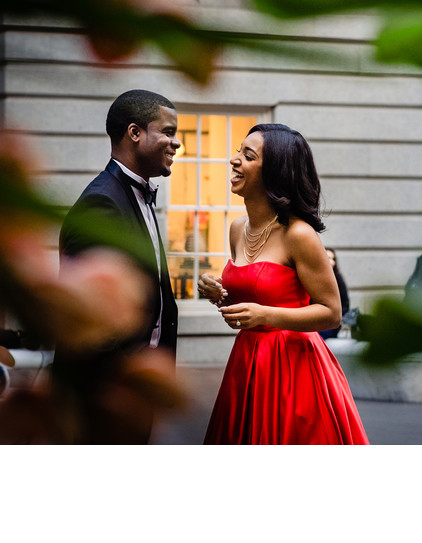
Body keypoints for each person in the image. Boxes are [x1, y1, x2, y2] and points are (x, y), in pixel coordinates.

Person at [199, 123, 369, 445]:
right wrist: (217, 291)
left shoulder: (299, 234)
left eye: (248, 156)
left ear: (274, 173)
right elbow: (250, 295)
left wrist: (267, 316)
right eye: (239, 151)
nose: (234, 160)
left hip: (293, 367)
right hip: (247, 363)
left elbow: (332, 312)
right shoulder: (238, 228)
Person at [57, 89, 181, 443]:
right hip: (107, 394)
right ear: (135, 133)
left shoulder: (136, 194)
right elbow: (89, 318)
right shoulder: (102, 203)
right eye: (168, 131)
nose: (175, 143)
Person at [318, 248, 349, 340]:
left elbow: (345, 305)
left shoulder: (338, 281)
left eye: (333, 259)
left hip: (329, 325)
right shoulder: (314, 278)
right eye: (327, 258)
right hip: (314, 323)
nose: (330, 262)